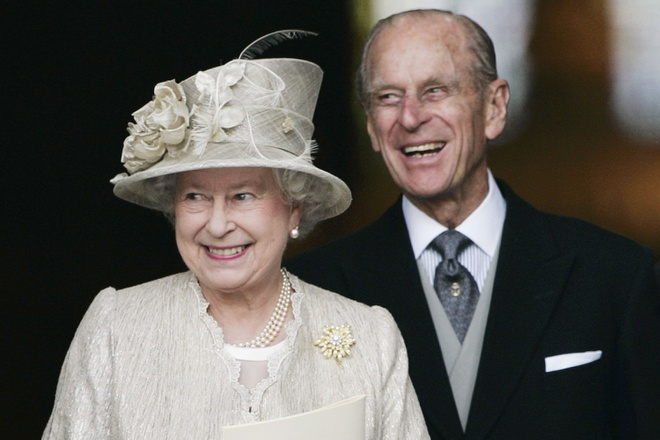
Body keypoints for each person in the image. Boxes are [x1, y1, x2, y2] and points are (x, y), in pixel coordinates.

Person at [287, 10, 660, 439]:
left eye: (436, 90)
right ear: (371, 125)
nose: (410, 117)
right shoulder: (310, 291)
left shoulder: (615, 275)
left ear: (494, 107)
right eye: (388, 97)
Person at [42, 31, 429, 439]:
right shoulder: (116, 326)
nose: (217, 225)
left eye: (242, 196)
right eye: (195, 196)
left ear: (294, 208)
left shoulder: (372, 337)